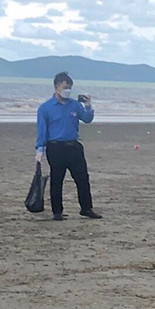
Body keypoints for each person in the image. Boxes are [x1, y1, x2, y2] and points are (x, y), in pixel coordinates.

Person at [35, 72, 102, 221]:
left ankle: (86, 208)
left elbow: (87, 119)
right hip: (55, 147)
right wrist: (40, 149)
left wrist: (88, 105)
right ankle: (57, 211)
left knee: (82, 178)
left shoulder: (74, 105)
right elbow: (42, 130)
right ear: (57, 87)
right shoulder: (45, 108)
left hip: (73, 146)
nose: (68, 90)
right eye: (65, 87)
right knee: (57, 179)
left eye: (70, 88)